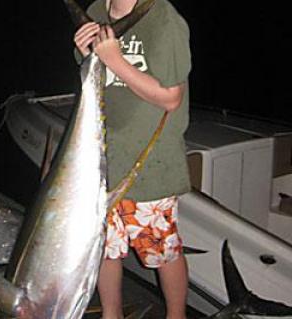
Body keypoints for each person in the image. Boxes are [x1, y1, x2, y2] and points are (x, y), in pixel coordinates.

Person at [74, 0, 191, 318]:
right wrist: (89, 54)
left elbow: (171, 97)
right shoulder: (98, 11)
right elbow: (97, 75)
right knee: (105, 250)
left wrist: (114, 59)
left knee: (161, 251)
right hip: (103, 161)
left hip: (148, 164)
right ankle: (112, 314)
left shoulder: (164, 20)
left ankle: (176, 315)